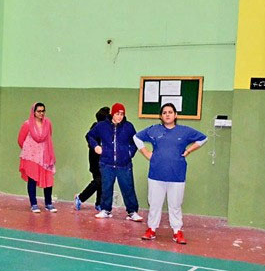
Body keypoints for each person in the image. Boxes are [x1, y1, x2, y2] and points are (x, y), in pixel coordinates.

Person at [134, 103, 207, 244]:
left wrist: (189, 150)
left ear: (175, 115)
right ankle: (151, 229)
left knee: (175, 205)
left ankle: (177, 232)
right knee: (154, 204)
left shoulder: (184, 131)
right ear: (161, 116)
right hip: (156, 174)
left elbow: (203, 138)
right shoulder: (154, 130)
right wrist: (146, 153)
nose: (167, 114)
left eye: (170, 112)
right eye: (165, 112)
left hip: (177, 175)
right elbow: (136, 138)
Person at [86, 102, 143, 221]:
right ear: (112, 113)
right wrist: (96, 146)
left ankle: (132, 212)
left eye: (122, 114)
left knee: (128, 188)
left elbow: (135, 142)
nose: (120, 116)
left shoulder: (128, 127)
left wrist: (129, 154)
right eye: (117, 113)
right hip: (106, 163)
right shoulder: (102, 126)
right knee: (106, 187)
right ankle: (105, 209)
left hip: (124, 164)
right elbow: (89, 136)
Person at [18, 102, 58, 213]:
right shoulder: (27, 124)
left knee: (48, 179)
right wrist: (30, 150)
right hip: (31, 157)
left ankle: (48, 203)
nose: (41, 113)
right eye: (39, 111)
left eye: (43, 111)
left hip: (45, 155)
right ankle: (33, 204)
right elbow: (21, 140)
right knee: (32, 179)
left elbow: (49, 136)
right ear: (33, 112)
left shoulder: (48, 123)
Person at [75, 106, 111, 211]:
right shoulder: (96, 127)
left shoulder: (107, 128)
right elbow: (92, 142)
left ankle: (99, 203)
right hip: (96, 160)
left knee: (102, 182)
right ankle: (81, 197)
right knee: (99, 180)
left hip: (103, 160)